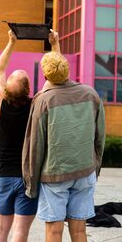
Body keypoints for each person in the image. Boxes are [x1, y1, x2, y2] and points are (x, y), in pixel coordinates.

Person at [22, 51, 106, 242]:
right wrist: (95, 167)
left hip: (54, 175)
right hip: (85, 171)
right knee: (79, 232)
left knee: (53, 232)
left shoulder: (43, 100)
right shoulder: (91, 94)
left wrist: (31, 183)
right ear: (68, 70)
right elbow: (100, 136)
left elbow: (35, 145)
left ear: (44, 76)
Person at [0, 29, 60, 242]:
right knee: (21, 232)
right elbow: (55, 80)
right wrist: (54, 45)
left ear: (5, 89)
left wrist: (11, 42)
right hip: (28, 177)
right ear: (29, 89)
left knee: (1, 229)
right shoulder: (36, 105)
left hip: (5, 175)